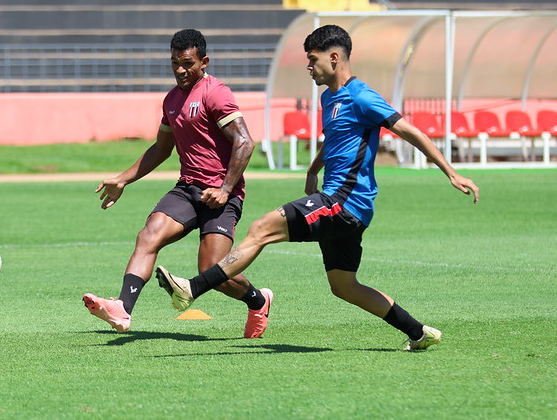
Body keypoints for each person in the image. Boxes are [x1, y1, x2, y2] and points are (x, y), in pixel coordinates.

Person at [155, 24, 479, 351]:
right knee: (344, 286)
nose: (308, 67)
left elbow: (411, 131)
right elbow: (336, 139)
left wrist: (450, 172)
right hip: (346, 205)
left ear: (334, 57)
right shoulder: (329, 98)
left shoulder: (362, 96)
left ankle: (192, 288)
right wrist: (314, 168)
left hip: (344, 201)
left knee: (263, 228)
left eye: (313, 60)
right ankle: (417, 331)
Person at [83, 28, 273, 337]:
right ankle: (122, 310)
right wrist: (123, 179)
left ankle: (258, 300)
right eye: (175, 63)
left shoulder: (216, 93)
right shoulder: (171, 100)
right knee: (148, 236)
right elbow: (161, 149)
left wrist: (225, 190)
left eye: (187, 63)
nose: (181, 70)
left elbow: (245, 141)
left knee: (213, 272)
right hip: (187, 190)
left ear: (204, 62)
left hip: (222, 195)